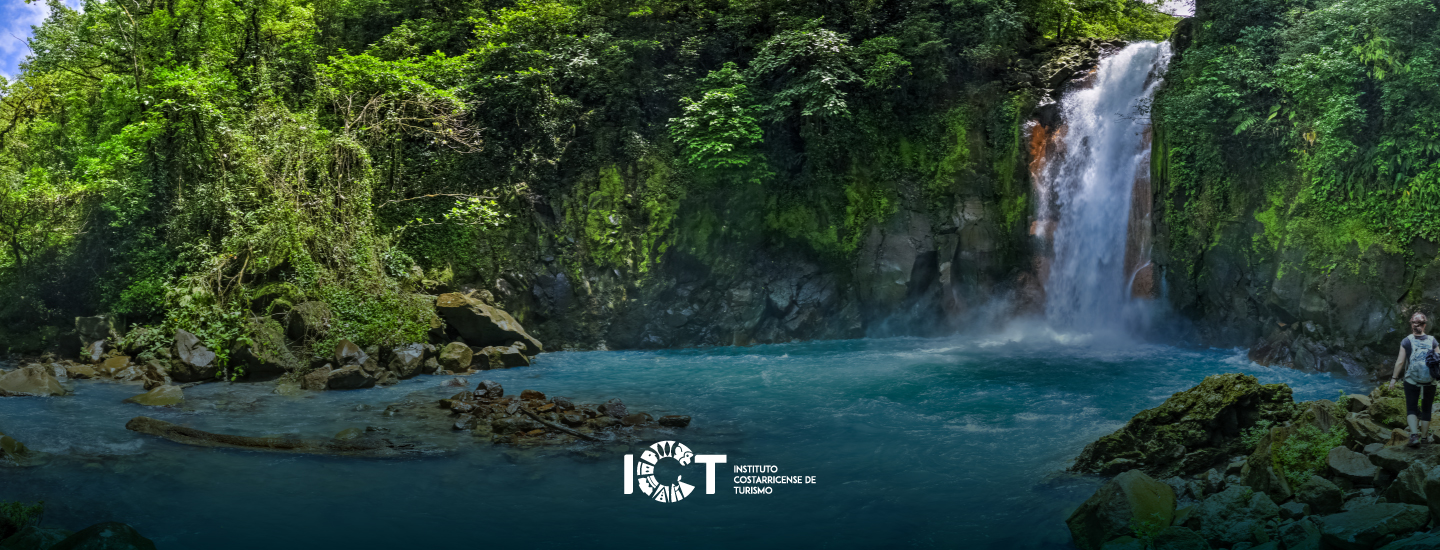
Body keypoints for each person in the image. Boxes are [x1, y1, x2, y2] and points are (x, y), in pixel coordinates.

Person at [1389, 312, 1437, 447]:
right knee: (1426, 409)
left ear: (1412, 325)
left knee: (1411, 408)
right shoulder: (1433, 340)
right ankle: (1425, 438)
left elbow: (1400, 362)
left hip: (1411, 380)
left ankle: (1414, 435)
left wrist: (1394, 379)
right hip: (1429, 381)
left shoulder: (1406, 341)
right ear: (1425, 325)